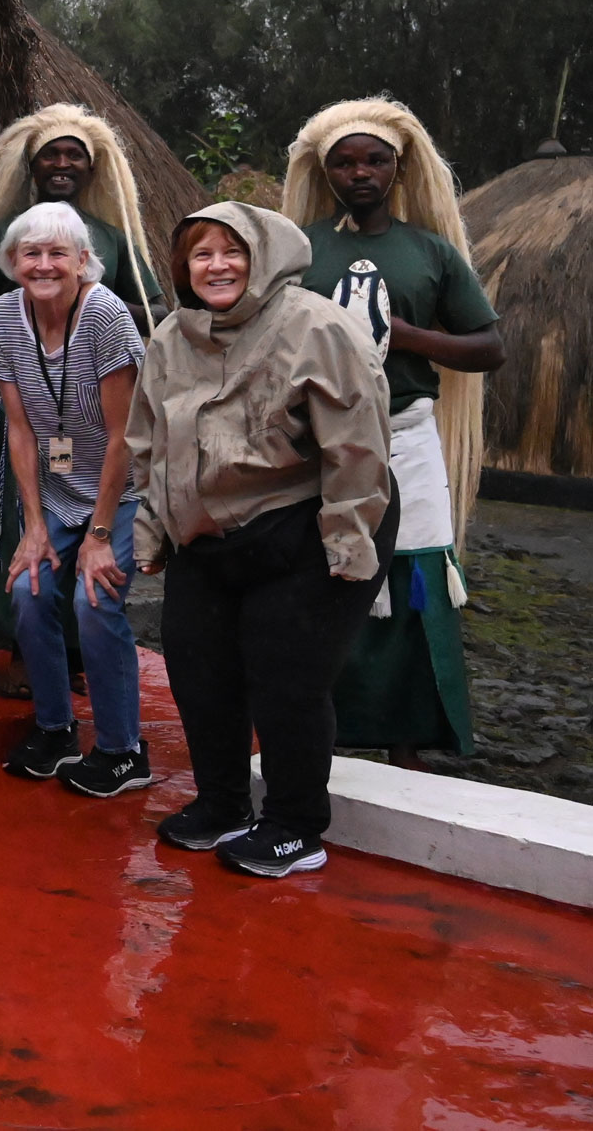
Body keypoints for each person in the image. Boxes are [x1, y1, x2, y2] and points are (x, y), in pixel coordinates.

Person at [129, 203, 396, 878]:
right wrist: (152, 530)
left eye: (233, 251)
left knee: (288, 678)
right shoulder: (172, 337)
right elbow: (149, 442)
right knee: (199, 669)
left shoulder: (316, 327)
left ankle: (294, 827)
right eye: (202, 254)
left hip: (304, 519)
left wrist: (347, 542)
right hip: (209, 531)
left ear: (265, 257)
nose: (217, 266)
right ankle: (221, 803)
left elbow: (358, 442)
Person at [283, 99, 502, 768]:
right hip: (318, 443)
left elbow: (488, 346)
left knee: (413, 579)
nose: (360, 173)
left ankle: (407, 743)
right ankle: (323, 733)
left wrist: (407, 337)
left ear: (397, 168)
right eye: (344, 163)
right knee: (324, 577)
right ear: (325, 171)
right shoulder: (300, 250)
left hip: (407, 435)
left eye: (375, 160)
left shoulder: (430, 252)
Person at [0, 104, 165, 693]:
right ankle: (22, 654)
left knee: (89, 534)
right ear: (32, 167)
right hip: (26, 410)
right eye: (50, 154)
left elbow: (156, 308)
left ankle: (77, 659)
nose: (62, 163)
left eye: (74, 155)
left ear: (91, 167)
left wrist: (90, 300)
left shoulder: (110, 237)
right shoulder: (16, 230)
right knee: (18, 529)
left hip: (94, 417)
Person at [0, 204, 149, 794]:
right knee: (28, 592)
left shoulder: (104, 314)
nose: (44, 265)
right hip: (58, 490)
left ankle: (124, 750)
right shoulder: (0, 317)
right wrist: (33, 527)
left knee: (94, 600)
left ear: (83, 261)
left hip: (122, 489)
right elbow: (20, 429)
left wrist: (99, 536)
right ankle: (55, 730)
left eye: (58, 253)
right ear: (12, 262)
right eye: (31, 253)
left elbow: (124, 436)